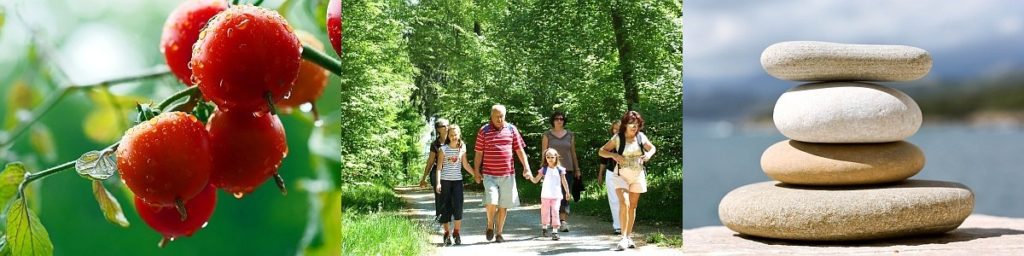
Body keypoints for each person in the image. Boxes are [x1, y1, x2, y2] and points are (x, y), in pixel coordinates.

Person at [473, 104, 531, 243]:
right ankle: (489, 225)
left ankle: (499, 233)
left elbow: (519, 150)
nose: (500, 119)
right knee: (492, 201)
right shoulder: (484, 131)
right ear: (491, 116)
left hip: (507, 174)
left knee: (503, 205)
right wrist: (476, 171)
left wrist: (526, 167)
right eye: (497, 117)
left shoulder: (511, 129)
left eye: (502, 116)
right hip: (489, 174)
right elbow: (479, 153)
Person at [599, 111, 656, 251]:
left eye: (636, 125)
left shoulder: (641, 137)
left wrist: (648, 154)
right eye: (631, 124)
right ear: (625, 124)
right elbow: (601, 151)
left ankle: (629, 236)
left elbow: (652, 148)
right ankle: (623, 238)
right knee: (624, 203)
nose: (634, 127)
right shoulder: (617, 138)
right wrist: (613, 155)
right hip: (620, 175)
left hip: (637, 175)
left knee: (633, 206)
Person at [436, 124, 477, 246]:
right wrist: (438, 183)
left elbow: (465, 165)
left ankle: (457, 233)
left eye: (456, 135)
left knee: (458, 207)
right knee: (445, 207)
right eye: (451, 135)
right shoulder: (443, 149)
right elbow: (439, 168)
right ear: (448, 136)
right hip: (445, 181)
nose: (454, 137)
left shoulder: (462, 148)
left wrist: (476, 175)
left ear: (459, 135)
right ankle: (447, 233)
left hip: (457, 181)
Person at [540, 110, 580, 232]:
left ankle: (563, 221)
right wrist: (542, 170)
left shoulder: (570, 135)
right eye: (557, 118)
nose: (559, 121)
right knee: (551, 194)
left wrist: (577, 168)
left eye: (561, 119)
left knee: (565, 195)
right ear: (553, 120)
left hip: (567, 169)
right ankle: (552, 219)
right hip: (551, 170)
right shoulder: (547, 135)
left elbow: (572, 152)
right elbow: (544, 152)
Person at [529, 148, 573, 241]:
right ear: (545, 158)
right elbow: (536, 180)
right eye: (548, 157)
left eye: (552, 157)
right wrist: (530, 176)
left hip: (556, 195)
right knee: (545, 212)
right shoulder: (544, 169)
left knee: (555, 211)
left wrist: (567, 192)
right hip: (545, 195)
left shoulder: (560, 169)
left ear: (556, 157)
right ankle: (544, 228)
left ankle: (555, 231)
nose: (550, 159)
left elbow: (564, 181)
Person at [419, 118, 449, 220]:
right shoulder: (435, 144)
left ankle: (449, 213)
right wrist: (424, 178)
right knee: (439, 195)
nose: (447, 127)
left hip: (451, 171)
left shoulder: (453, 140)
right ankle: (440, 216)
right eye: (444, 126)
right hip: (437, 172)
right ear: (438, 129)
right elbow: (430, 162)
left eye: (448, 125)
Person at [596, 120, 622, 235]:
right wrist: (600, 175)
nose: (616, 131)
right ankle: (617, 226)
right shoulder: (609, 143)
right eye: (614, 129)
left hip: (627, 173)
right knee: (614, 199)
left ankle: (626, 223)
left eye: (618, 128)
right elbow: (603, 161)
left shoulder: (630, 141)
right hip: (611, 172)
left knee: (626, 200)